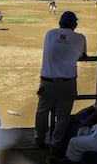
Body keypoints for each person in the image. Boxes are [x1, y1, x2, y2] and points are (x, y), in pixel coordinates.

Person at [34, 11, 88, 157]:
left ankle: (39, 138)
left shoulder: (50, 34)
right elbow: (82, 56)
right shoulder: (80, 38)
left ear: (60, 23)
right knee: (63, 116)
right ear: (75, 25)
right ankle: (54, 145)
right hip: (68, 83)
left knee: (42, 110)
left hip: (47, 81)